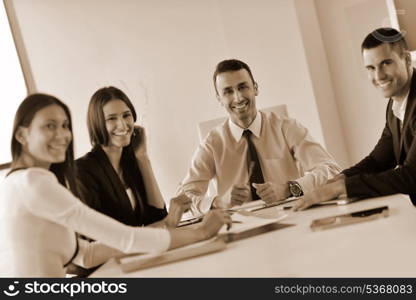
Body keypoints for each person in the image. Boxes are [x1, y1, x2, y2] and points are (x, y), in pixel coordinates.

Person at [0, 93, 230, 277]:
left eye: (64, 125)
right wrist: (201, 232)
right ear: (21, 135)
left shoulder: (20, 181)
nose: (62, 135)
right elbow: (125, 238)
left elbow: (86, 254)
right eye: (50, 126)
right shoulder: (34, 183)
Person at [181, 59, 341, 215]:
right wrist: (218, 202)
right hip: (240, 231)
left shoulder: (286, 127)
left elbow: (332, 170)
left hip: (293, 217)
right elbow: (183, 199)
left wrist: (289, 188)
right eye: (228, 91)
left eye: (242, 87)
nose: (238, 98)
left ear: (255, 88)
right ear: (219, 99)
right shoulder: (212, 144)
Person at [295, 28, 416, 210]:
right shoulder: (395, 105)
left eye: (386, 63)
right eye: (371, 68)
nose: (378, 76)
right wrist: (341, 178)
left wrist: (344, 188)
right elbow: (378, 160)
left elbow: (412, 176)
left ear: (406, 59)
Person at [76, 86, 187, 228]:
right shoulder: (83, 171)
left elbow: (157, 218)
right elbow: (103, 237)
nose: (122, 125)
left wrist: (143, 158)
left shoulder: (131, 163)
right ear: (97, 125)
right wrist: (168, 222)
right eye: (111, 119)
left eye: (126, 115)